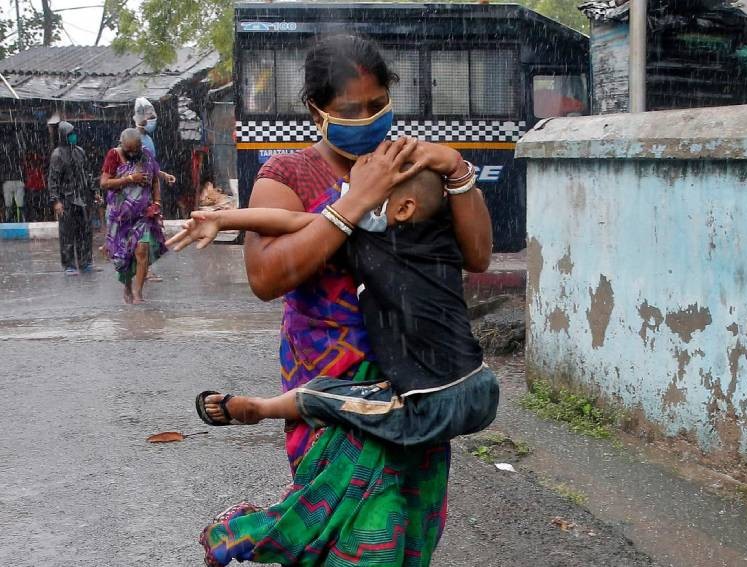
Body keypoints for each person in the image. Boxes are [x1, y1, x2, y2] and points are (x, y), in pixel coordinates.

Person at [179, 34, 492, 567]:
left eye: (377, 105)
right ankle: (251, 531)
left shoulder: (410, 167)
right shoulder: (288, 174)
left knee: (401, 532)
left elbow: (478, 254)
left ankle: (252, 532)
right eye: (351, 110)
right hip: (330, 384)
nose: (368, 119)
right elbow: (266, 275)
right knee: (345, 535)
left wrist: (457, 169)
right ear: (316, 110)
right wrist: (360, 198)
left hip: (413, 381)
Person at [172, 164, 499, 447]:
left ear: (403, 209)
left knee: (327, 395)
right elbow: (474, 202)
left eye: (366, 196)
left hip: (432, 404)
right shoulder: (442, 236)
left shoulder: (365, 239)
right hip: (482, 386)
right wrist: (455, 167)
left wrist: (224, 220)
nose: (352, 204)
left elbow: (288, 220)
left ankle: (260, 408)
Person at [100, 128, 167, 304]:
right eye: (129, 150)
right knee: (123, 257)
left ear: (140, 146)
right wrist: (130, 179)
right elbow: (105, 182)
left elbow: (154, 180)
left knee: (142, 249)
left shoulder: (145, 155)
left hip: (142, 215)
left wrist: (157, 202)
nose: (132, 153)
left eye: (135, 149)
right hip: (119, 217)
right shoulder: (113, 155)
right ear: (122, 145)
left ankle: (138, 292)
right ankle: (127, 287)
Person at [131, 96, 175, 282]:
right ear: (140, 117)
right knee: (143, 236)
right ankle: (141, 270)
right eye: (149, 116)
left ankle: (145, 268)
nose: (152, 120)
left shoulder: (148, 139)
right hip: (136, 195)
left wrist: (163, 175)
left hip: (150, 194)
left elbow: (152, 166)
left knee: (151, 234)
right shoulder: (131, 138)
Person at [48, 121, 95, 275]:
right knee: (67, 233)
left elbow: (87, 173)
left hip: (82, 197)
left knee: (85, 232)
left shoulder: (80, 151)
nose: (74, 136)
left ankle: (85, 262)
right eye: (70, 134)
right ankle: (69, 265)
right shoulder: (57, 155)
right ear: (64, 136)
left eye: (73, 133)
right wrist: (56, 201)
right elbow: (53, 180)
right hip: (66, 199)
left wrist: (94, 192)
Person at [23, 153, 47, 222]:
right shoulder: (37, 167)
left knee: (34, 205)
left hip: (36, 188)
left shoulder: (35, 167)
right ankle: (36, 218)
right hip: (35, 188)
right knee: (35, 205)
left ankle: (35, 218)